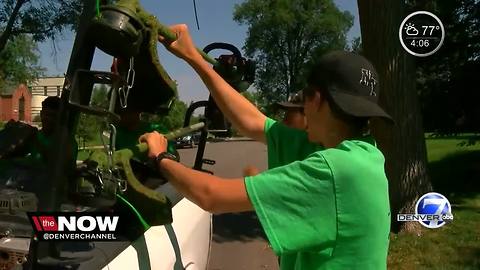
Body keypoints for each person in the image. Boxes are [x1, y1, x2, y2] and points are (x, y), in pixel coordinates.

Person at [140, 24, 392, 269]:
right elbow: (253, 121)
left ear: (316, 99)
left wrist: (161, 157)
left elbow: (211, 195)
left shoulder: (335, 170)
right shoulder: (364, 155)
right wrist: (193, 57)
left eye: (303, 100)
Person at [244, 89, 307, 176]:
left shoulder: (324, 152)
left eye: (292, 112)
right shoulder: (282, 136)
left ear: (308, 113)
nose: (285, 120)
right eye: (286, 113)